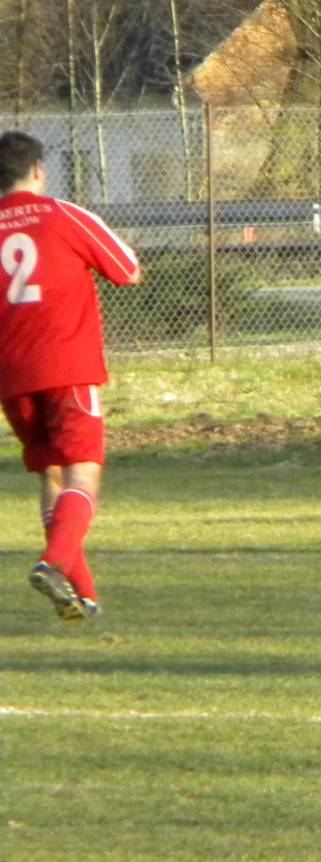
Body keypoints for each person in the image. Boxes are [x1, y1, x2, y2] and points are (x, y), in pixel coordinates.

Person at [0, 131, 142, 621]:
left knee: (51, 473)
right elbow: (127, 270)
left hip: (11, 374)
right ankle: (53, 562)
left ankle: (83, 596)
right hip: (68, 367)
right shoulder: (62, 214)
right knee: (83, 470)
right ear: (39, 169)